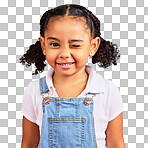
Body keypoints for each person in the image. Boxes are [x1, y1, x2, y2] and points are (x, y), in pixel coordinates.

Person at [20, 4, 125, 148]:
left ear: (93, 46)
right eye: (54, 44)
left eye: (75, 45)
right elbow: (28, 144)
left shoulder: (107, 91)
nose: (64, 53)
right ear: (43, 45)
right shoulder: (34, 90)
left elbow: (116, 144)